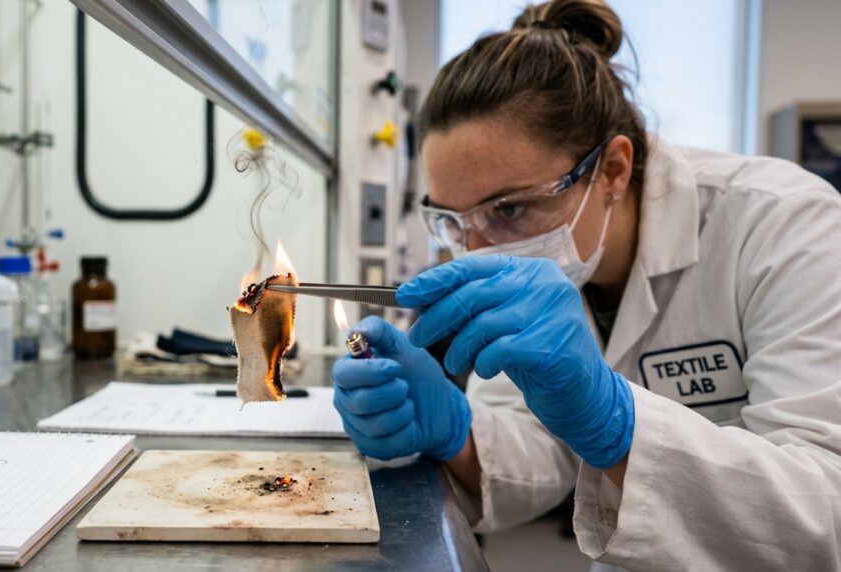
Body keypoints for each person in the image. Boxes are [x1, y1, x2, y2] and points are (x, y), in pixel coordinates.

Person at [330, 0, 841, 569]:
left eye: (510, 209)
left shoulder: (783, 225)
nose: (479, 251)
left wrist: (615, 422)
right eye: (454, 221)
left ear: (614, 170)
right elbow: (540, 448)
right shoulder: (558, 260)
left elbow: (827, 510)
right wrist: (453, 432)